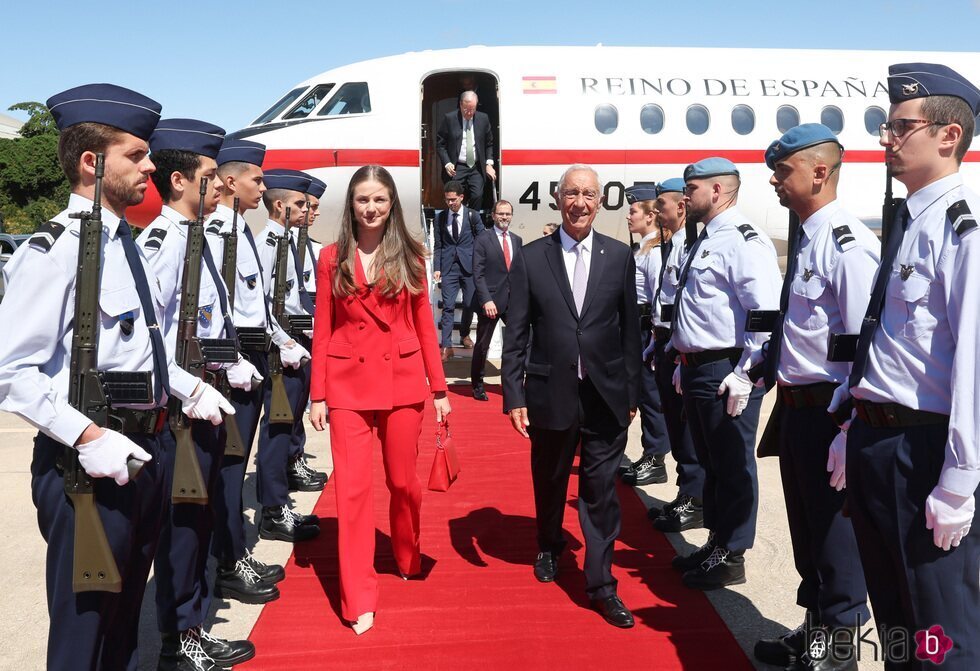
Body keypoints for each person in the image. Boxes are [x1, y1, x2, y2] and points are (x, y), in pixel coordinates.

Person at [0, 83, 230, 671]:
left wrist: (189, 388)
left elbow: (143, 353)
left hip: (141, 454)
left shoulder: (124, 244)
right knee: (86, 637)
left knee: (124, 628)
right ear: (91, 163)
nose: (151, 165)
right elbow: (12, 371)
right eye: (136, 154)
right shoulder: (53, 252)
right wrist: (87, 437)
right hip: (88, 468)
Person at [831, 63, 980, 671]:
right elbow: (889, 341)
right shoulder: (910, 219)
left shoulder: (962, 227)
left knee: (939, 629)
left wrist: (960, 479)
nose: (886, 139)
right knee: (896, 619)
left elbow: (973, 358)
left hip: (922, 451)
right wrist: (851, 424)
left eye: (900, 127)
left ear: (947, 136)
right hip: (878, 440)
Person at [752, 124, 877, 671]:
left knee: (836, 537)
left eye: (783, 172)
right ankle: (814, 628)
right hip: (798, 410)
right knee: (807, 535)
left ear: (819, 172)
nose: (776, 183)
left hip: (831, 414)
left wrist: (850, 429)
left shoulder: (847, 243)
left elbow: (862, 347)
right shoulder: (809, 237)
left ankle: (842, 643)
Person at [137, 118, 259, 670]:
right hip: (183, 408)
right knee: (183, 530)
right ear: (183, 181)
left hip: (209, 399)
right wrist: (191, 388)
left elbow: (209, 321)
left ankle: (196, 621)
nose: (222, 186)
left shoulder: (196, 237)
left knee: (200, 520)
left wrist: (230, 362)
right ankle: (179, 640)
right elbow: (150, 336)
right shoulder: (162, 243)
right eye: (213, 176)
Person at [309, 165, 450, 635]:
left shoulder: (410, 255)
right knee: (350, 494)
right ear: (350, 204)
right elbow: (323, 329)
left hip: (402, 383)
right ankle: (358, 597)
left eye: (380, 200)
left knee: (403, 482)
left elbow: (425, 324)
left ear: (392, 204)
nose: (371, 208)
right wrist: (318, 395)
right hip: (347, 385)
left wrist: (440, 388)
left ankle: (407, 551)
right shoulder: (330, 258)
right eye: (362, 200)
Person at [502, 164, 641, 628]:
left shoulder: (620, 256)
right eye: (572, 193)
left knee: (601, 492)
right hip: (549, 391)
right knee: (551, 477)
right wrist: (514, 394)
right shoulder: (532, 256)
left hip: (605, 394)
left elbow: (629, 333)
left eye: (588, 194)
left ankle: (601, 585)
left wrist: (632, 392)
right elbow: (517, 330)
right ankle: (548, 543)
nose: (580, 202)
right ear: (558, 199)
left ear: (600, 202)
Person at [667, 158, 781, 590]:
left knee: (733, 464)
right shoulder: (707, 238)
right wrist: (684, 358)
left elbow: (763, 311)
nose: (685, 196)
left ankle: (733, 552)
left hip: (727, 369)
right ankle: (717, 541)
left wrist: (746, 371)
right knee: (713, 463)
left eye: (691, 188)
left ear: (717, 191)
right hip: (700, 367)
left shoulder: (743, 240)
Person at [204, 138, 293, 606]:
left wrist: (281, 343)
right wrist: (232, 364)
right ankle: (228, 557)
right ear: (230, 181)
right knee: (229, 468)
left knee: (234, 466)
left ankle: (234, 550)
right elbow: (215, 313)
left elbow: (257, 307)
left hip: (252, 359)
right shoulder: (219, 234)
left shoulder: (239, 229)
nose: (263, 186)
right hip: (230, 365)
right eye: (256, 179)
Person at [254, 169, 320, 544]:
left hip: (295, 343)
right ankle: (273, 510)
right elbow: (259, 306)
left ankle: (279, 503)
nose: (305, 209)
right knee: (277, 430)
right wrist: (286, 343)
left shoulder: (288, 244)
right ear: (280, 206)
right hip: (282, 349)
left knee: (287, 426)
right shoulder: (267, 246)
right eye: (298, 203)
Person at [645, 178, 706, 532]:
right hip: (667, 340)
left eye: (662, 206)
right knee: (674, 421)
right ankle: (686, 493)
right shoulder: (672, 244)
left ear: (680, 207)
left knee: (686, 429)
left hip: (679, 344)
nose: (657, 213)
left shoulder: (690, 245)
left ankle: (694, 499)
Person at [620, 185, 670, 487]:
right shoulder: (642, 248)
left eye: (634, 210)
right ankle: (650, 452)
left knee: (651, 396)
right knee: (641, 392)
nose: (629, 216)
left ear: (651, 216)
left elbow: (658, 298)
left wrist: (653, 339)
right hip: (635, 328)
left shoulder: (655, 252)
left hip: (645, 329)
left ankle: (656, 457)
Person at [284, 174, 329, 493]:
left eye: (313, 208)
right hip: (293, 336)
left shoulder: (314, 248)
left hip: (312, 335)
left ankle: (295, 456)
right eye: (307, 207)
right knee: (289, 407)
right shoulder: (284, 246)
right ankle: (290, 460)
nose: (311, 213)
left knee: (300, 405)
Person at [470, 199, 523, 400]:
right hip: (490, 302)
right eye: (500, 213)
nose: (504, 217)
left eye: (507, 214)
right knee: (483, 345)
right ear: (493, 215)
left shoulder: (517, 240)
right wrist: (486, 300)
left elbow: (518, 272)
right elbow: (478, 273)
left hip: (513, 302)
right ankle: (477, 385)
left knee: (518, 344)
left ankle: (512, 384)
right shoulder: (483, 239)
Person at [433, 180, 484, 360]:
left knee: (470, 305)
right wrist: (437, 267)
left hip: (469, 267)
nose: (450, 203)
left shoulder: (473, 216)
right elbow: (438, 245)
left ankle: (464, 334)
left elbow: (482, 241)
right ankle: (446, 347)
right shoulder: (440, 218)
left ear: (461, 197)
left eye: (453, 199)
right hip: (448, 268)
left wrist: (480, 265)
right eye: (447, 200)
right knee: (448, 307)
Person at [435, 90, 496, 209]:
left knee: (477, 195)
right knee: (454, 196)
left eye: (473, 109)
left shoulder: (483, 118)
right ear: (460, 105)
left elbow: (489, 143)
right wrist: (447, 163)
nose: (469, 113)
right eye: (466, 109)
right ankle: (456, 221)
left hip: (476, 166)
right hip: (457, 166)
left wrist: (489, 163)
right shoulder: (450, 119)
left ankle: (472, 221)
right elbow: (440, 144)